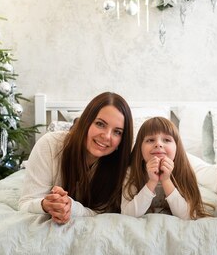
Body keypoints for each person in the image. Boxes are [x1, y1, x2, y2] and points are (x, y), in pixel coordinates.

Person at [19, 92, 133, 224]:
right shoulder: (49, 145)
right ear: (86, 121)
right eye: (100, 124)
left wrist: (71, 207)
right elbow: (25, 204)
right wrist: (46, 204)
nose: (107, 136)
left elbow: (102, 212)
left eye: (117, 132)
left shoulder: (121, 167)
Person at [121, 117, 210, 220]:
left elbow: (188, 216)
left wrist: (166, 180)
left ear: (177, 148)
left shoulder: (185, 170)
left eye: (167, 140)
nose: (158, 144)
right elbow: (127, 215)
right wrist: (152, 181)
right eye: (150, 140)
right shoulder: (131, 172)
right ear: (139, 149)